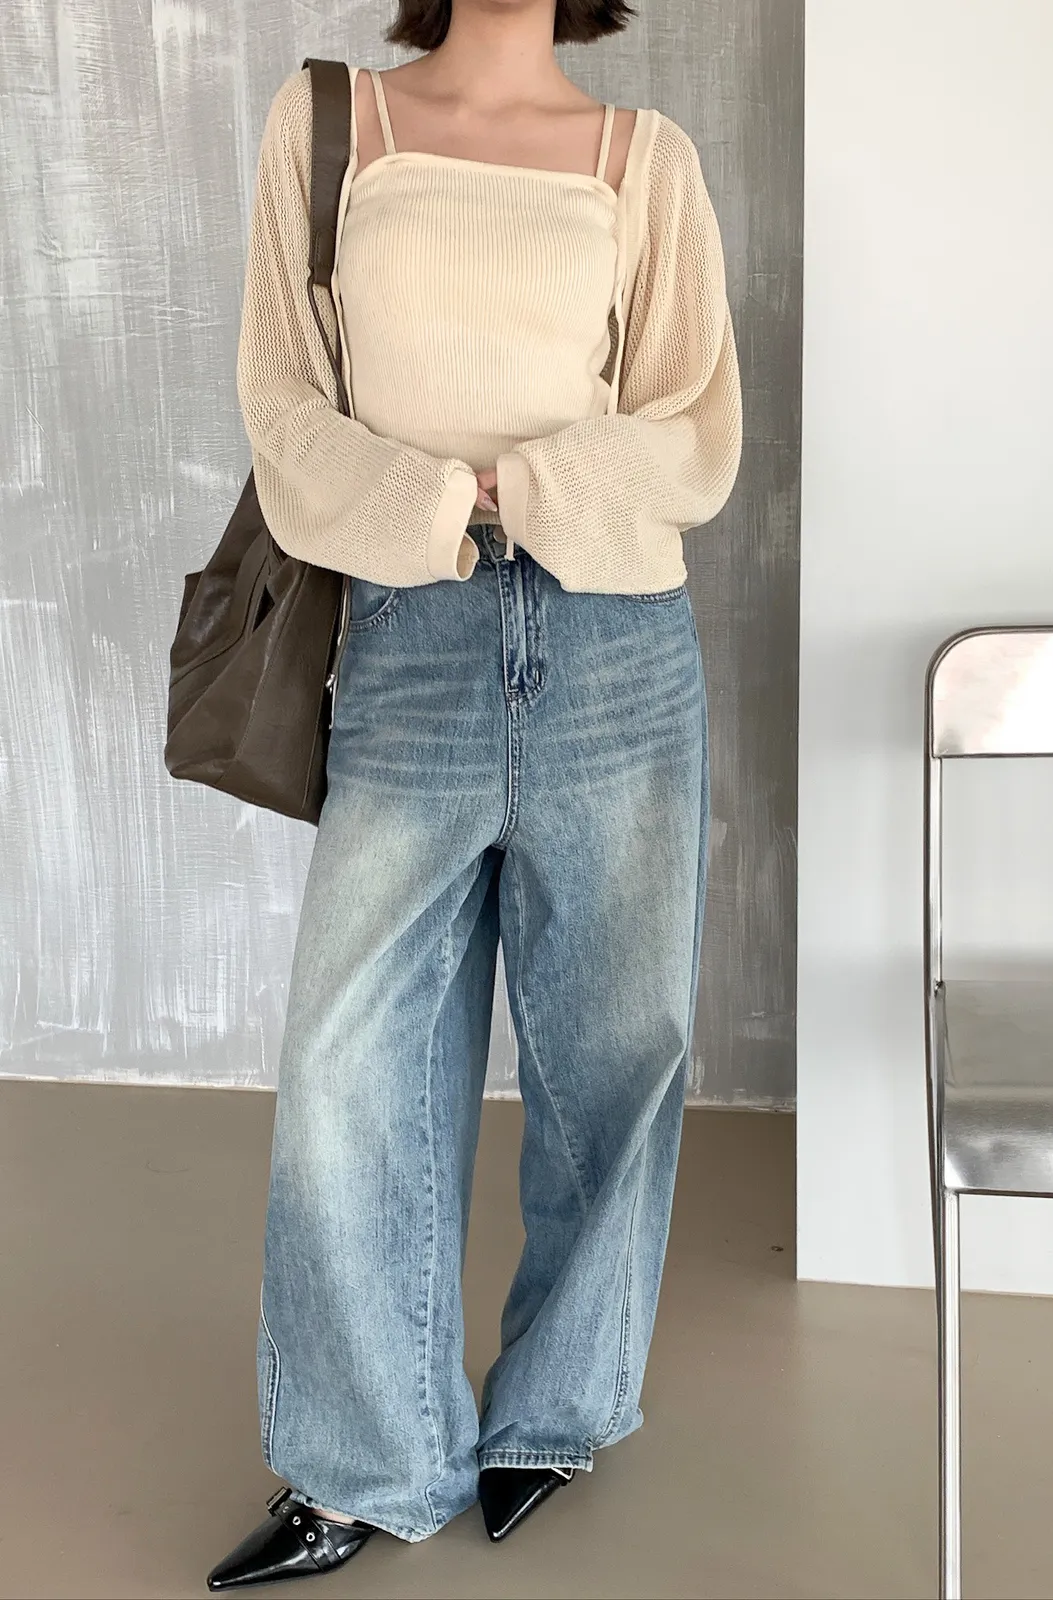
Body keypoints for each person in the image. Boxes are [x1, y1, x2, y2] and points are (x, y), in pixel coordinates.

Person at [206, 0, 742, 1587]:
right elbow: (284, 400)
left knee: (617, 1055)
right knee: (352, 1070)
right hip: (409, 639)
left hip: (615, 649)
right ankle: (364, 1458)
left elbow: (694, 429)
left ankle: (556, 1410)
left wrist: (530, 491)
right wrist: (451, 504)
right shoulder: (336, 129)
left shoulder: (643, 159)